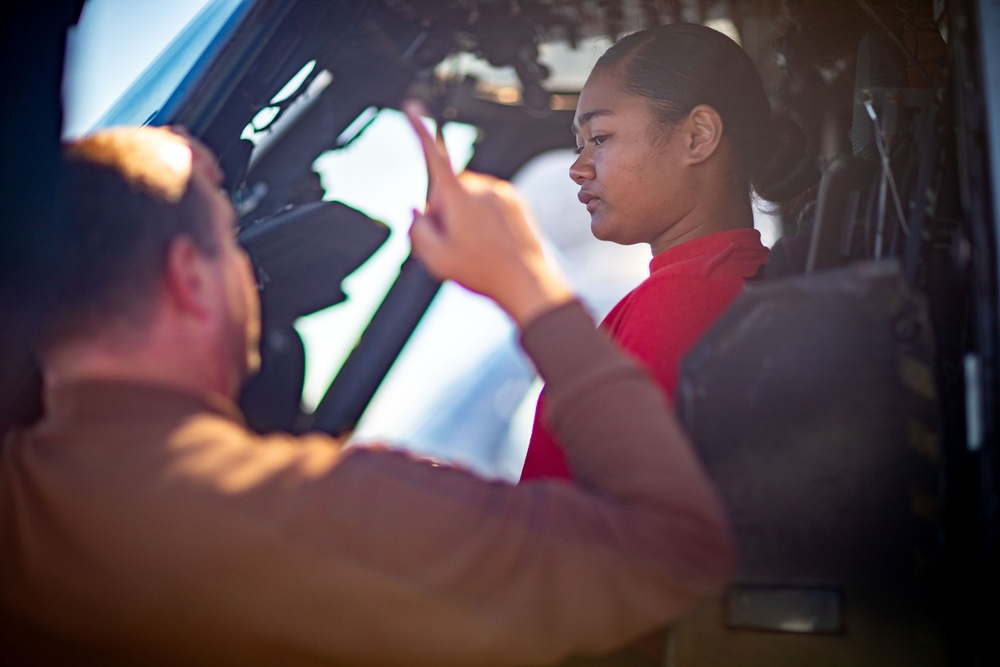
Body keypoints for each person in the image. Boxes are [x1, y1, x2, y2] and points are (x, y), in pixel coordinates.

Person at [0, 110, 735, 665]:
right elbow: (674, 552)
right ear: (191, 279)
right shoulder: (338, 513)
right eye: (229, 239)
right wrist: (527, 285)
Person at [520, 23, 817, 481]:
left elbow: (620, 532)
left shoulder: (681, 303)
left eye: (599, 138)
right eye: (580, 146)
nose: (578, 169)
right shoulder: (725, 283)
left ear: (698, 135)